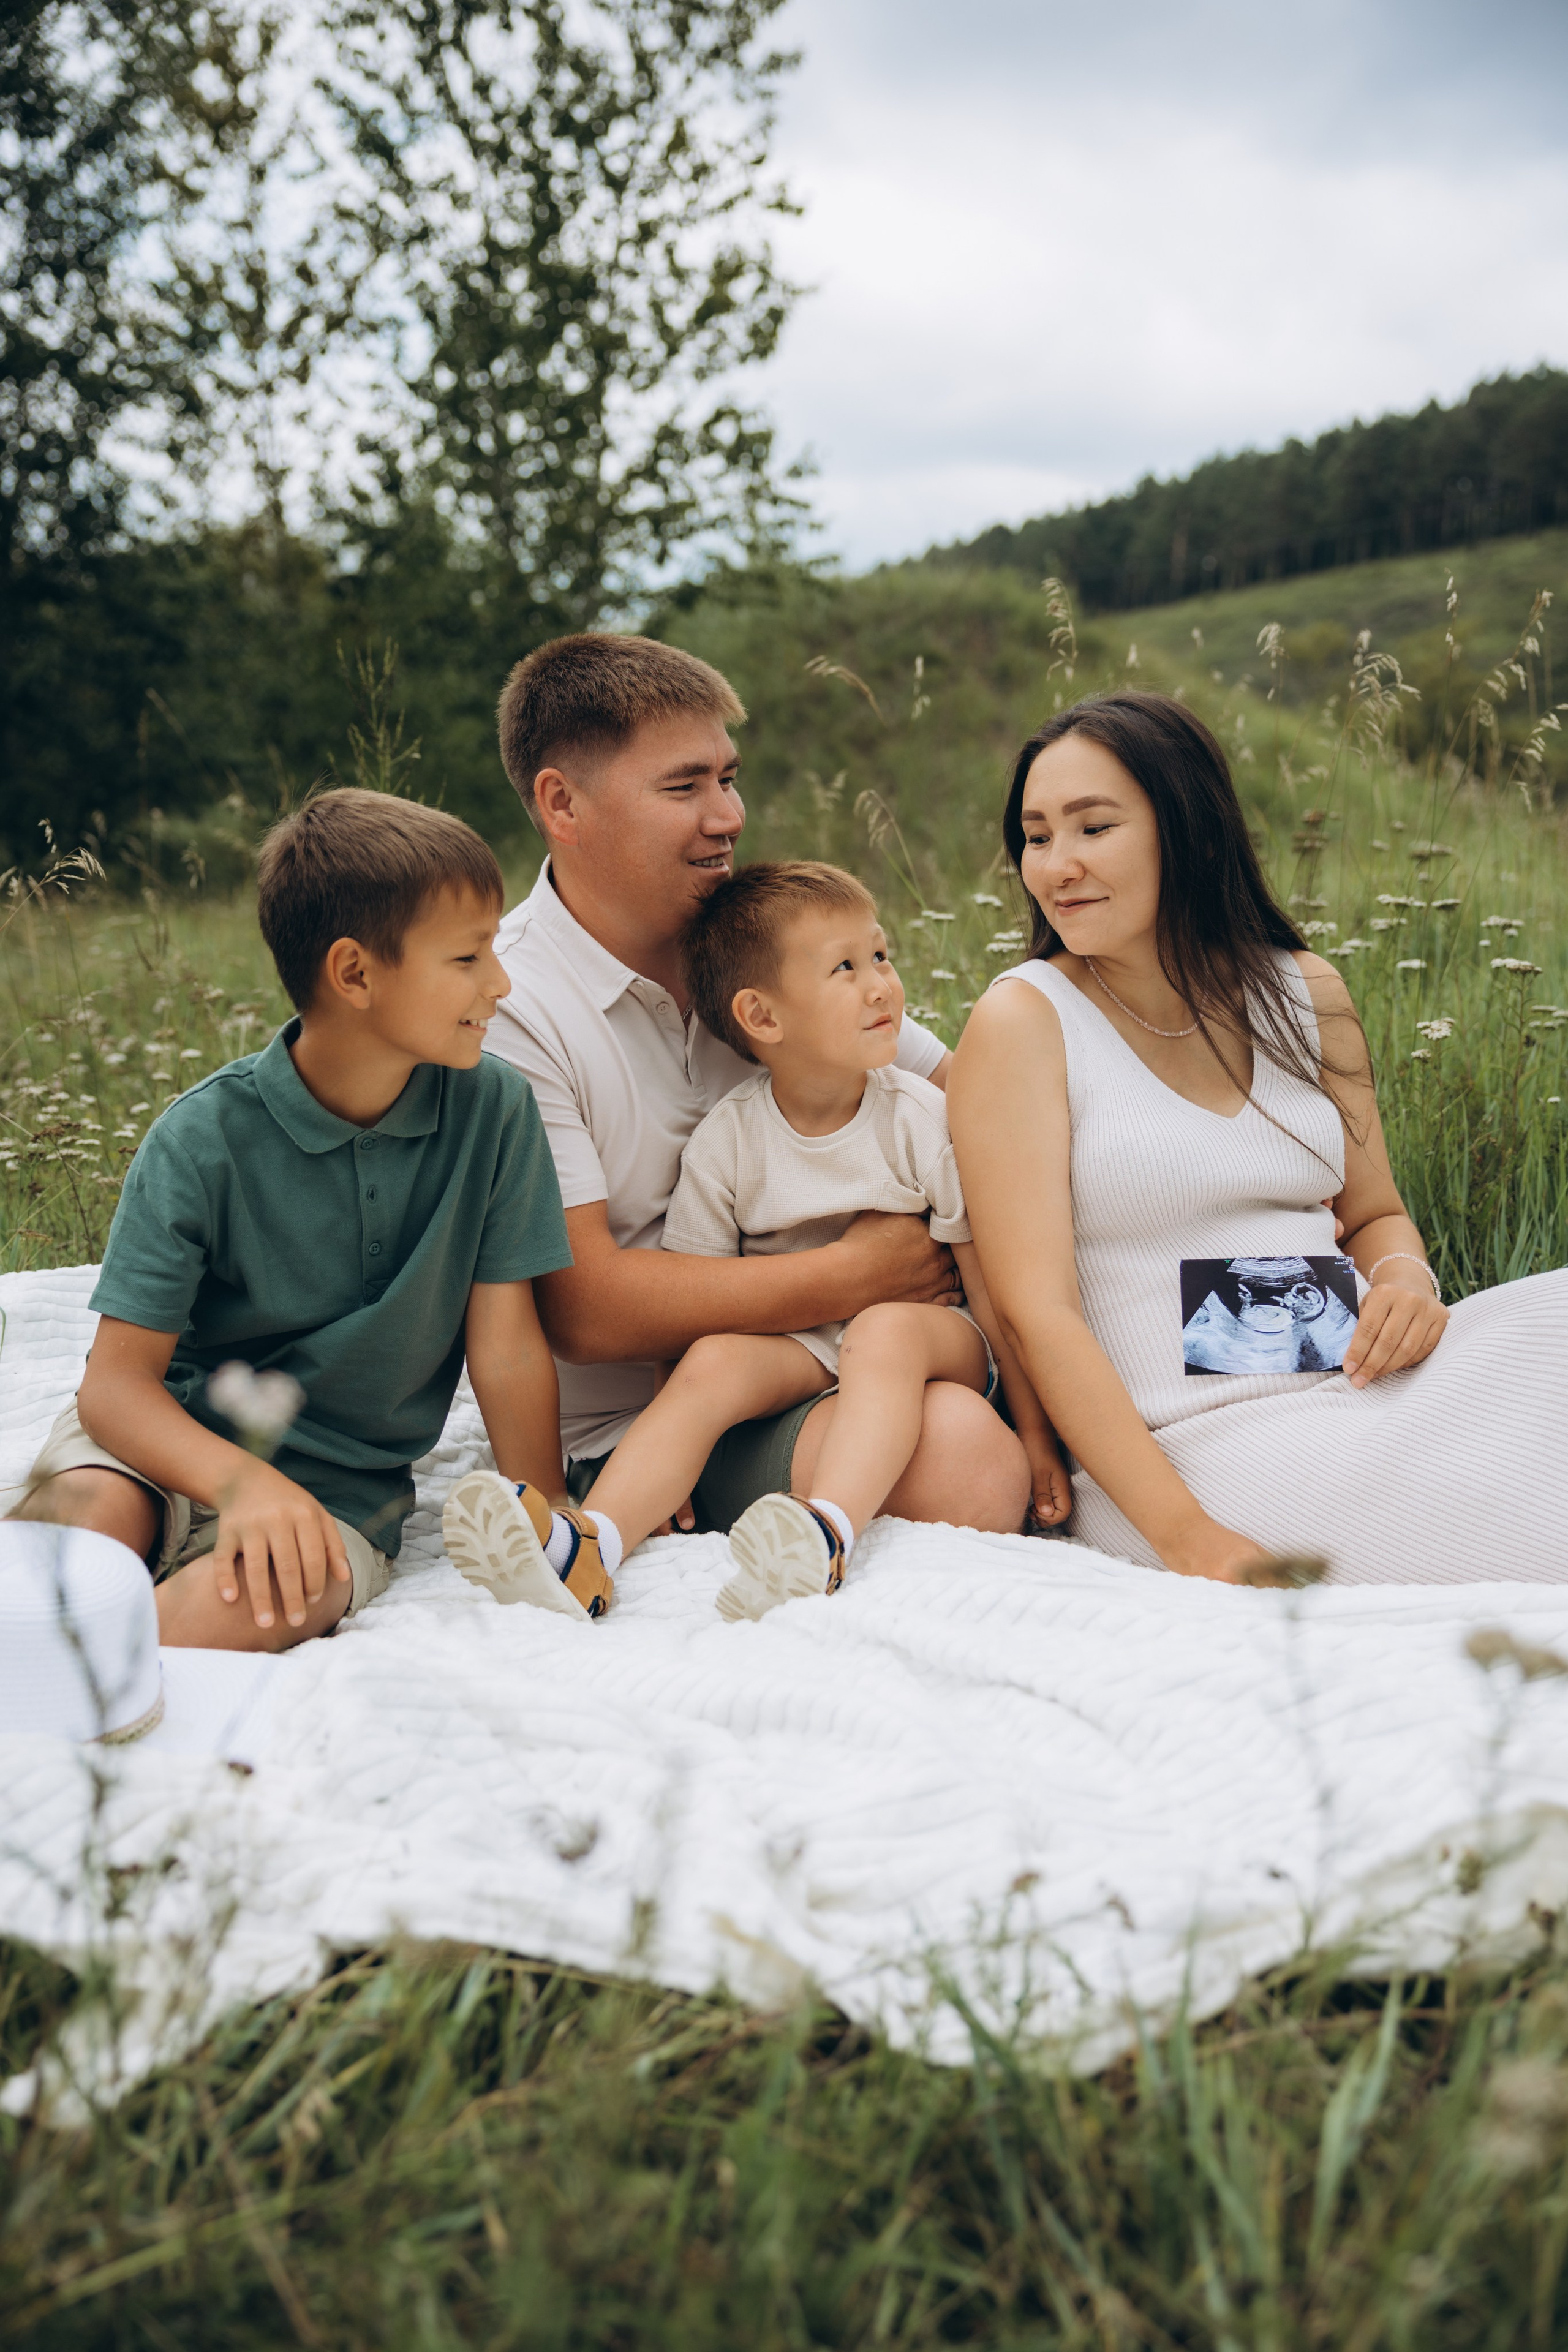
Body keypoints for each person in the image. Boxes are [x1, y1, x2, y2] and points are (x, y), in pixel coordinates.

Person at [948, 689, 1568, 1586]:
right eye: (1038, 837)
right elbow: (1036, 1313)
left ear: (1190, 832)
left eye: (1094, 828)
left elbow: (1377, 1214)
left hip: (1360, 1379)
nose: (1057, 866)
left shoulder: (1305, 992)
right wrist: (1187, 1537)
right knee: (1506, 1507)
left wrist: (1405, 1282)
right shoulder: (1023, 1020)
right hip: (1191, 1446)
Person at [475, 631, 1033, 1574]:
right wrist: (862, 1274)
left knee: (949, 1422)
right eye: (684, 787)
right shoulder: (511, 1006)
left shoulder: (763, 941)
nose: (728, 815)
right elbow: (588, 1306)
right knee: (963, 1458)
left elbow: (958, 1097)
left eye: (729, 778)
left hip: (859, 1355)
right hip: (659, 1417)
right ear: (563, 804)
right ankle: (599, 1545)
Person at [7, 790, 592, 1649]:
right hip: (164, 1447)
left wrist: (548, 1516)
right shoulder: (201, 1139)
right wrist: (239, 1484)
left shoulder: (496, 1112)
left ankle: (76, 1690)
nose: (500, 983)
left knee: (249, 1604)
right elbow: (116, 1387)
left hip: (339, 1492)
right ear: (354, 974)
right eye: (468, 957)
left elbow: (504, 1345)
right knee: (82, 1526)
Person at [443, 862, 1070, 1619]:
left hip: (939, 1337)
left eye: (881, 957)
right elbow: (688, 1318)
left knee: (884, 1330)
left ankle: (826, 1530)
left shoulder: (917, 1118)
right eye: (847, 969)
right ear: (763, 1019)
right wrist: (677, 1465)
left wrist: (1037, 1433)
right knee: (714, 1360)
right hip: (806, 1350)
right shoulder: (729, 1140)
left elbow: (993, 1289)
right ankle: (593, 1543)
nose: (881, 986)